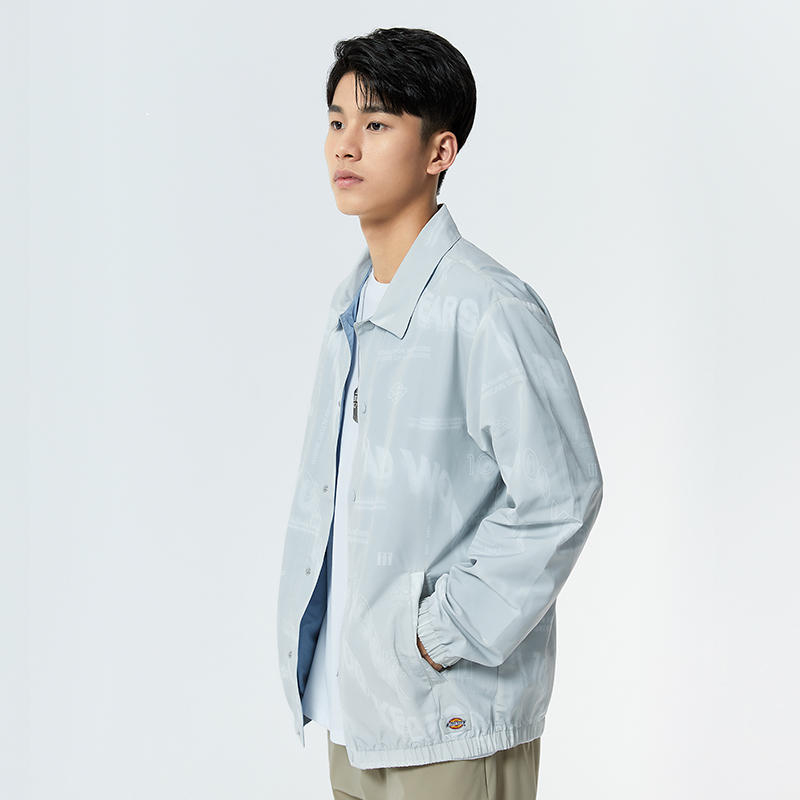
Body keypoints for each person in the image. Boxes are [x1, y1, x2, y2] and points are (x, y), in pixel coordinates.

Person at [277, 27, 603, 800]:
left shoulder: (487, 308)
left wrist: (436, 634)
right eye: (337, 120)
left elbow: (564, 495)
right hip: (354, 714)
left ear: (440, 150)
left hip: (449, 718)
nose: (345, 144)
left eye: (376, 123)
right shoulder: (351, 308)